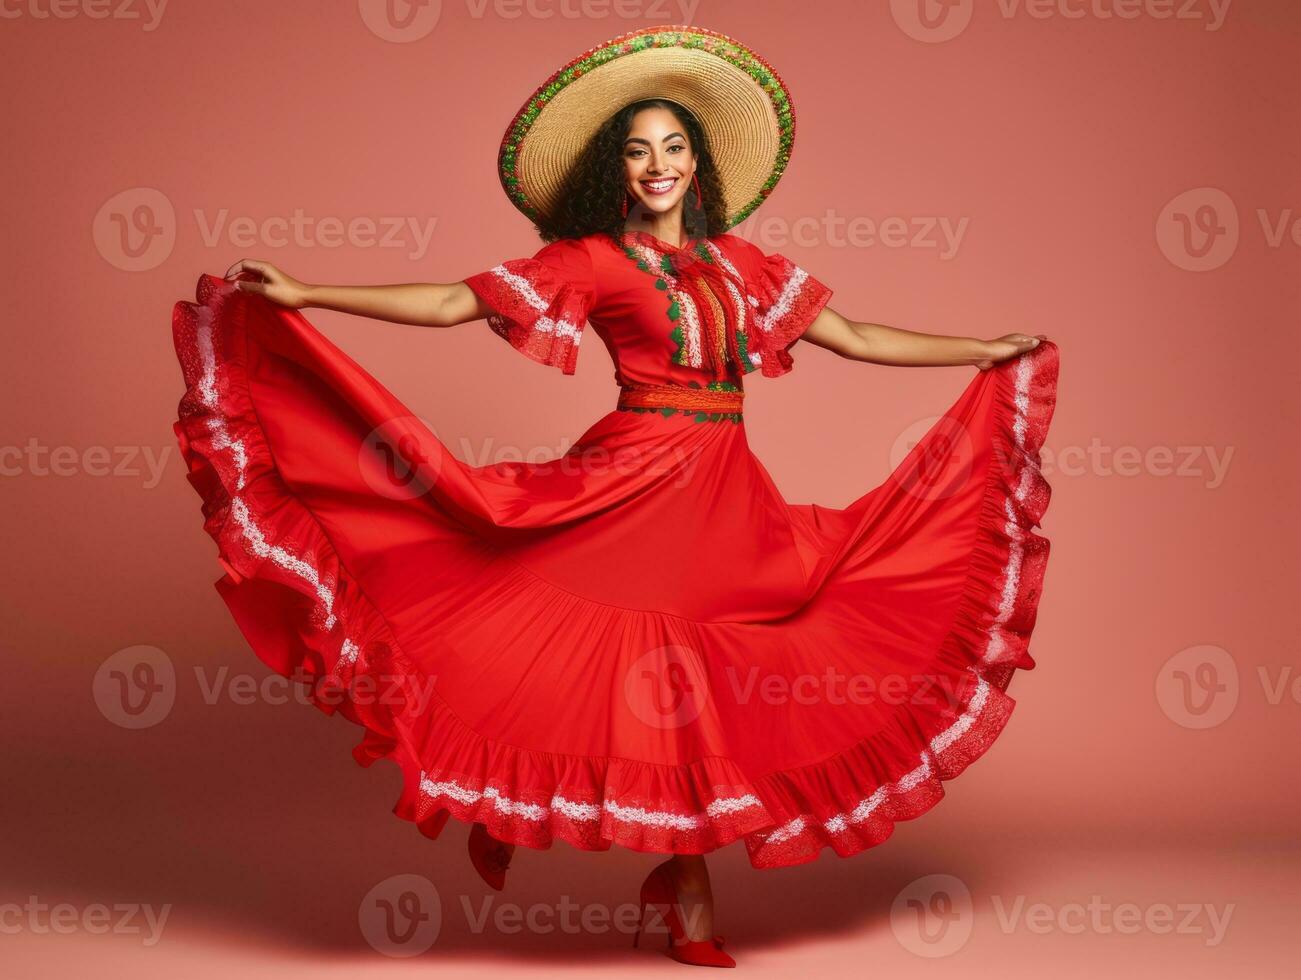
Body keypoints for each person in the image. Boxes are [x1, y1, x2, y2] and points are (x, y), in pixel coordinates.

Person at [171, 25, 1059, 969]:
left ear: (699, 162)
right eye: (637, 150)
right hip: (626, 479)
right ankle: (663, 883)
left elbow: (858, 336)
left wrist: (981, 350)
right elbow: (448, 302)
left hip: (724, 498)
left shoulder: (743, 265)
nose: (657, 165)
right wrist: (311, 290)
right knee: (551, 622)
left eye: (673, 146)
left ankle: (661, 873)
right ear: (616, 169)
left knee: (704, 681)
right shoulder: (588, 262)